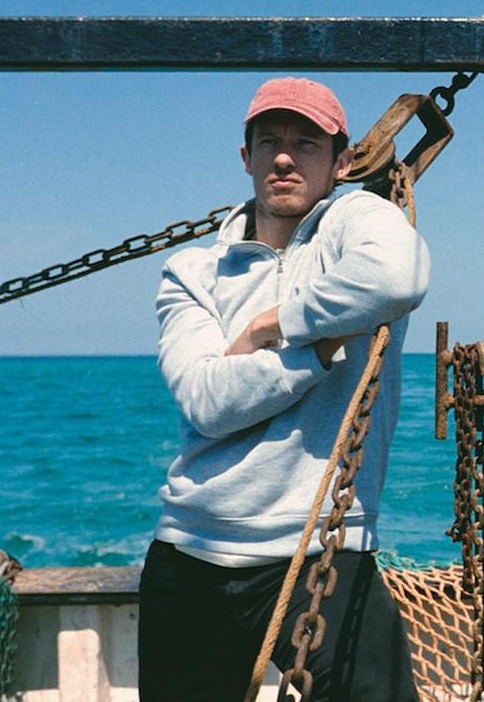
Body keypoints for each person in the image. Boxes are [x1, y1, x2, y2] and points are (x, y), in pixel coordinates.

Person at [138, 77, 429, 701]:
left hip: (327, 545)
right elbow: (208, 401)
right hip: (195, 547)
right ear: (246, 158)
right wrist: (319, 349)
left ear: (342, 161)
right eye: (268, 141)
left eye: (306, 142)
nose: (285, 157)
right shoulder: (193, 270)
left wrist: (272, 325)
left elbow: (397, 276)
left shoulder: (359, 221)